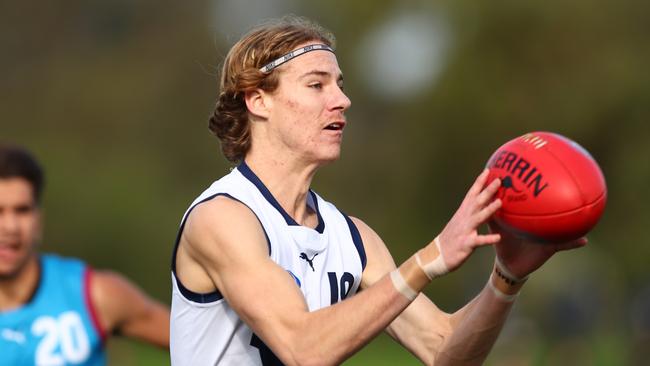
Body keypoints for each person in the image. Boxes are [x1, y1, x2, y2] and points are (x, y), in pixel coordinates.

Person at [170, 15, 586, 365]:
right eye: (317, 85)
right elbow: (302, 348)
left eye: (340, 84)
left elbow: (442, 347)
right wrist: (428, 260)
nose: (342, 100)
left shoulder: (352, 237)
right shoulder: (222, 218)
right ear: (258, 100)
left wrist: (506, 278)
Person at [0, 144, 170, 365]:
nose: (10, 227)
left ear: (38, 218)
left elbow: (203, 344)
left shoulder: (93, 294)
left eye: (22, 210)